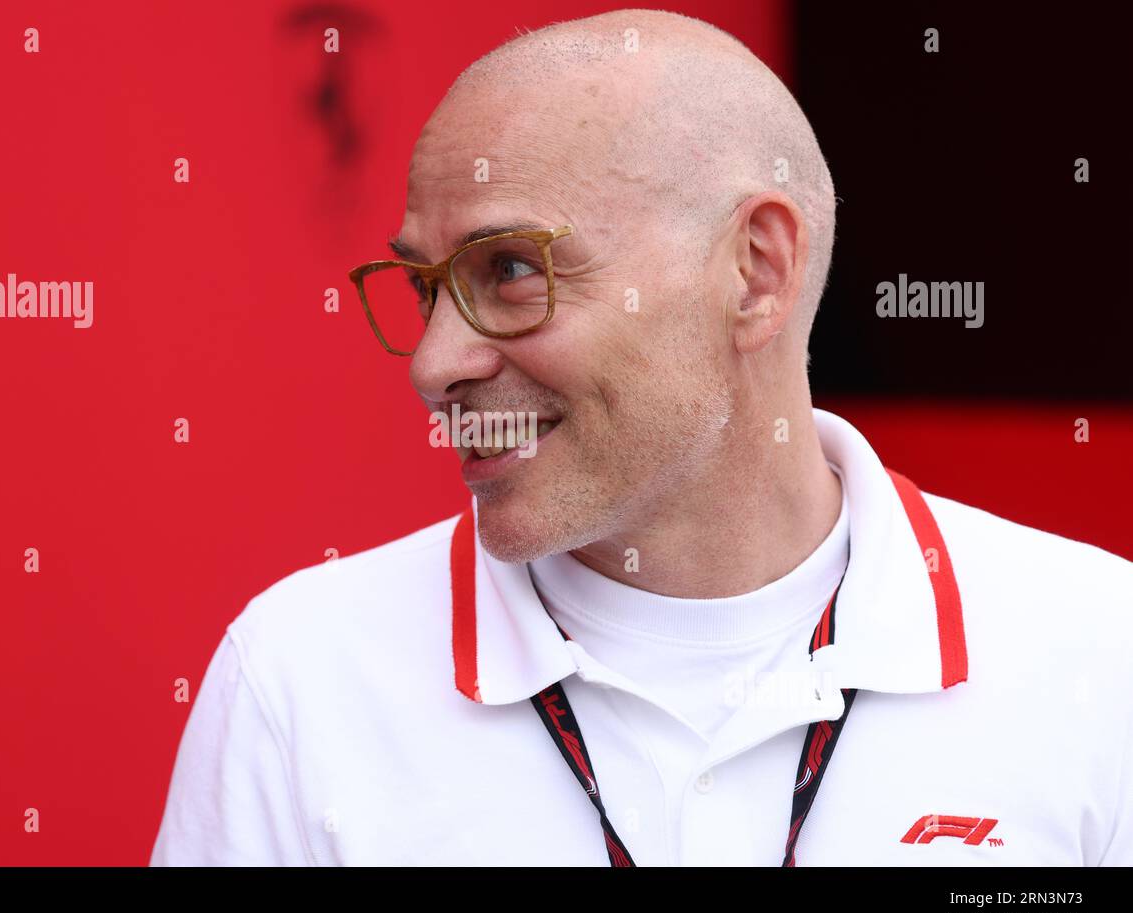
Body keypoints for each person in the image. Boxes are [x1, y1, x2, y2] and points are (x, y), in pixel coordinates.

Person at [150, 9, 1133, 866]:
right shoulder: (301, 677)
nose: (433, 360)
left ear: (754, 270)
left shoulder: (1097, 655)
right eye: (423, 287)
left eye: (509, 270)